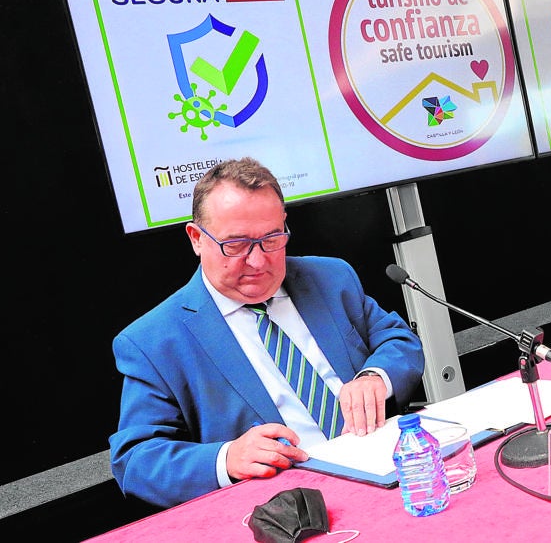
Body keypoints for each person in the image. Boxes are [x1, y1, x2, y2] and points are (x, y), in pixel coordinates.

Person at [109, 157, 425, 508]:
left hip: (388, 471)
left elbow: (398, 340)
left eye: (272, 238)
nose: (258, 261)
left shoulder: (330, 278)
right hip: (286, 506)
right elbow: (135, 461)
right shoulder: (154, 341)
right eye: (237, 244)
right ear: (196, 238)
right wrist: (226, 458)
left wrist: (374, 376)